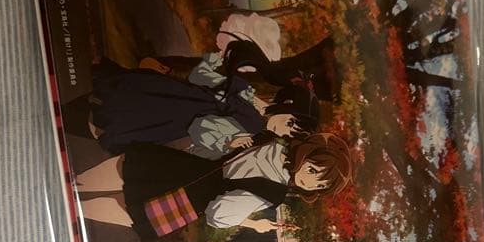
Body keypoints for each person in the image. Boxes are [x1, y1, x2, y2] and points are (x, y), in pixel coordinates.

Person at [77, 132, 352, 241]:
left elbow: (222, 142)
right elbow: (219, 214)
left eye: (319, 183)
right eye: (314, 171)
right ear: (307, 154)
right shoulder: (275, 191)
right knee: (112, 211)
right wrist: (252, 223)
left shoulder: (271, 139)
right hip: (185, 201)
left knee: (111, 172)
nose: (310, 181)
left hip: (180, 165)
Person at [87, 53, 321, 159]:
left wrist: (227, 142)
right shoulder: (251, 96)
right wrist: (212, 65)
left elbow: (200, 128)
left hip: (180, 116)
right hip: (182, 94)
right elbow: (200, 77)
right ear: (287, 105)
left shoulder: (254, 129)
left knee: (125, 115)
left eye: (290, 134)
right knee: (126, 92)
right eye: (291, 123)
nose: (285, 131)